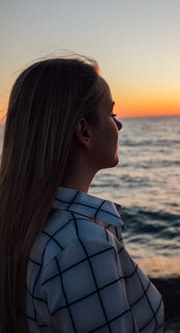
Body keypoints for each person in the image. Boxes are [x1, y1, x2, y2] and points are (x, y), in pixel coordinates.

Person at [0, 56, 164, 332]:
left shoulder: (22, 222)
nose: (119, 125)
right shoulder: (82, 244)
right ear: (84, 130)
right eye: (112, 114)